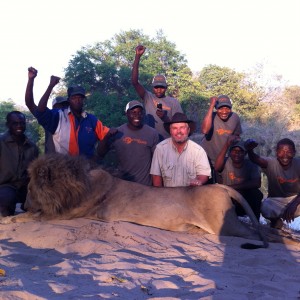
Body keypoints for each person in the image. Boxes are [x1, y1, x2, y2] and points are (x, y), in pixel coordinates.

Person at [29, 69, 113, 159]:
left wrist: (111, 135)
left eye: (80, 98)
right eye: (74, 97)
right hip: (64, 168)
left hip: (87, 168)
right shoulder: (58, 116)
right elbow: (40, 110)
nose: (77, 100)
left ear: (83, 100)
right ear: (69, 100)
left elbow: (106, 135)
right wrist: (50, 86)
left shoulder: (92, 120)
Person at [99, 100, 159, 186]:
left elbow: (156, 162)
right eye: (133, 112)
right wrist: (106, 137)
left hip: (145, 187)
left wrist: (156, 186)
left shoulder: (152, 133)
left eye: (139, 112)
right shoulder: (118, 132)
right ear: (126, 114)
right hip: (124, 186)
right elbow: (100, 153)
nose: (137, 115)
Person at [245, 138, 300, 229]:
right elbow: (255, 159)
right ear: (276, 152)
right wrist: (250, 150)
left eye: (289, 152)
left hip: (296, 199)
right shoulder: (271, 163)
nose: (285, 155)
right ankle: (276, 221)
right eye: (281, 151)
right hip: (276, 200)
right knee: (265, 207)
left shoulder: (298, 164)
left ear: (294, 153)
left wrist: (294, 204)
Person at [132, 45, 183, 140]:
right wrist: (137, 57)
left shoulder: (174, 102)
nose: (159, 90)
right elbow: (134, 82)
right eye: (156, 87)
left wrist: (165, 118)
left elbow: (179, 125)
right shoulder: (148, 97)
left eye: (161, 87)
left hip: (168, 141)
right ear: (152, 88)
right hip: (148, 140)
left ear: (166, 88)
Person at [150, 112, 211, 187]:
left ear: (188, 130)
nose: (178, 131)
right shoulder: (160, 149)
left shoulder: (198, 151)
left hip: (191, 196)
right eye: (174, 128)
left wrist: (198, 181)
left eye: (182, 127)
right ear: (170, 131)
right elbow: (156, 177)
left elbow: (204, 174)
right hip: (167, 196)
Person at [0, 111, 39, 217]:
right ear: (8, 125)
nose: (19, 126)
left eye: (22, 123)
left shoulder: (32, 147)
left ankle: (24, 206)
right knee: (5, 203)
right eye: (15, 123)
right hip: (5, 185)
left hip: (26, 187)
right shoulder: (1, 142)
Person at [214, 136, 263, 220]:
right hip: (228, 198)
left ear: (245, 153)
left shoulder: (251, 164)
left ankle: (255, 223)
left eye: (241, 151)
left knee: (257, 194)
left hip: (244, 199)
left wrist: (233, 188)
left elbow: (257, 183)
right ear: (230, 152)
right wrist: (226, 145)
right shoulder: (225, 161)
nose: (237, 153)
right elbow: (217, 168)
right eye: (234, 151)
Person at [25, 66, 70, 153]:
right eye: (60, 106)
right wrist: (31, 80)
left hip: (72, 163)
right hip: (51, 163)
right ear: (53, 108)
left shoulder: (75, 118)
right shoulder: (47, 118)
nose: (63, 108)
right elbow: (29, 103)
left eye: (66, 105)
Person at [200, 94, 242, 183]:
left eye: (227, 108)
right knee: (207, 189)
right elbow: (204, 130)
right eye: (220, 108)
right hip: (206, 158)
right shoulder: (212, 116)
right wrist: (211, 106)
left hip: (222, 159)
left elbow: (237, 135)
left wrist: (236, 139)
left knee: (221, 188)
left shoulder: (235, 117)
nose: (224, 111)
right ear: (216, 108)